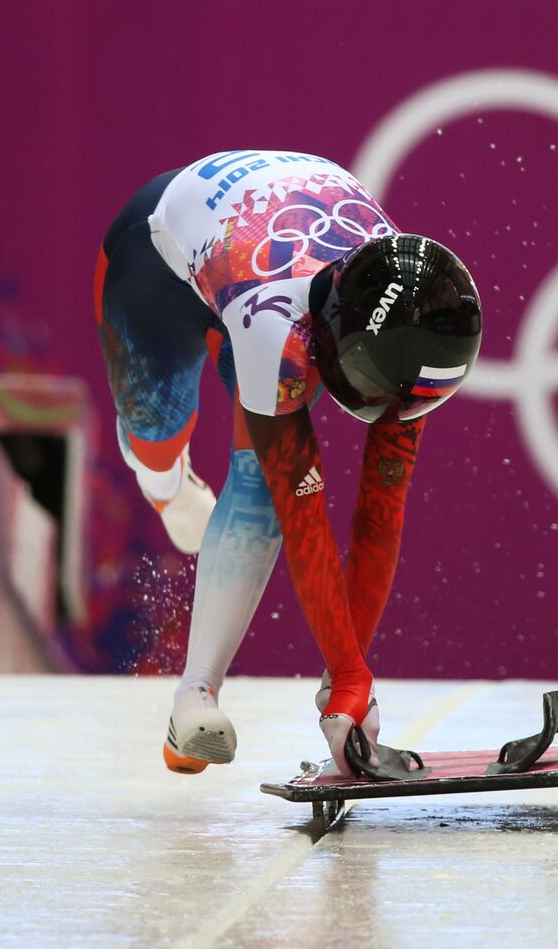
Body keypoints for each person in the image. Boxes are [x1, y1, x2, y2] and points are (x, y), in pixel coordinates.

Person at [94, 150, 481, 774]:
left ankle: (193, 698)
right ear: (332, 339)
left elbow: (380, 514)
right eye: (371, 389)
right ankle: (165, 483)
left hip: (261, 249)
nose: (388, 413)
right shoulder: (277, 323)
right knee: (160, 442)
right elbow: (306, 521)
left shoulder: (412, 322)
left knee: (255, 485)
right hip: (156, 264)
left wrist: (345, 682)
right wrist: (351, 673)